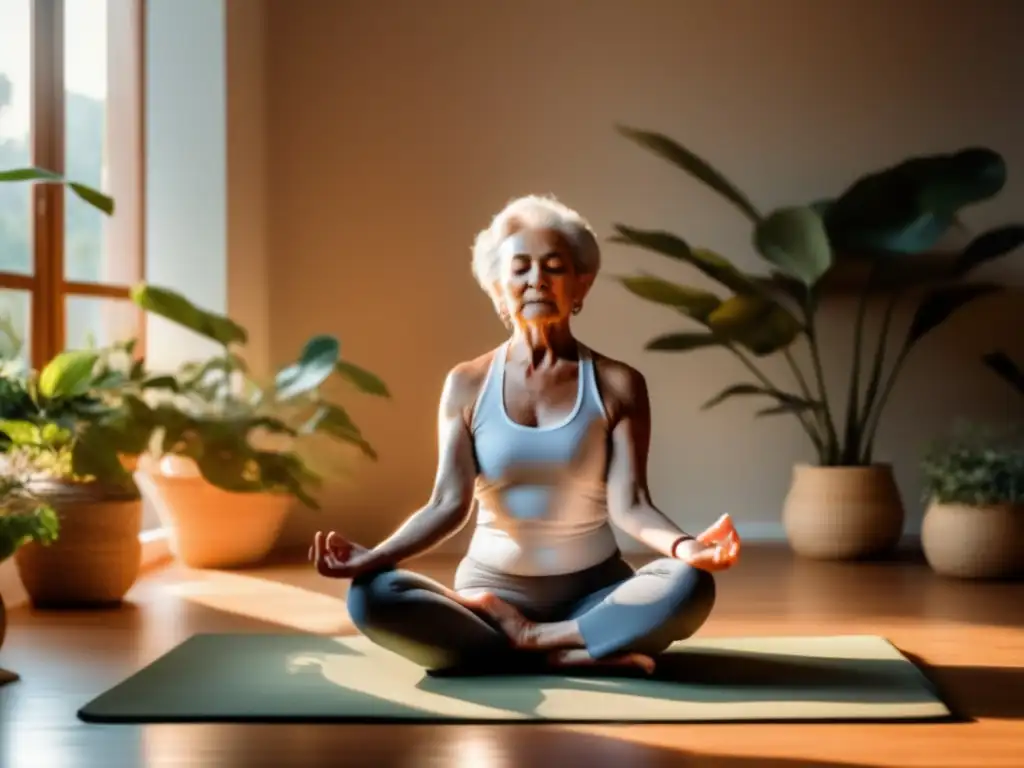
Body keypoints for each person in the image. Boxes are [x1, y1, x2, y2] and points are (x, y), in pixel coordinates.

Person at [310, 194, 741, 676]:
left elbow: (632, 504)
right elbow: (447, 503)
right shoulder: (467, 383)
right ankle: (578, 652)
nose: (537, 279)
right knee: (372, 597)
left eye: (554, 267)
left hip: (596, 596)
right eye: (521, 268)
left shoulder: (619, 385)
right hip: (489, 599)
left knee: (690, 584)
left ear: (582, 283)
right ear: (498, 288)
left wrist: (688, 548)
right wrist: (375, 556)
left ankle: (535, 643)